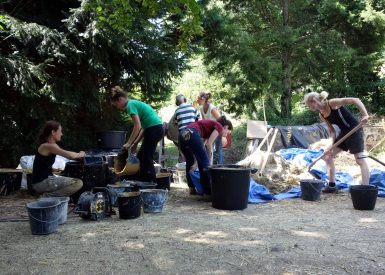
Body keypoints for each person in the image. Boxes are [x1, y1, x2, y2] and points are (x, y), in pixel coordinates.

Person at [304, 91, 370, 193]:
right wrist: (329, 146)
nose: (309, 107)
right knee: (327, 156)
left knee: (360, 159)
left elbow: (355, 100)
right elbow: (332, 131)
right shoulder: (322, 114)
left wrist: (365, 115)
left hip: (355, 130)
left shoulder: (332, 103)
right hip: (344, 133)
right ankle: (332, 185)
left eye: (309, 104)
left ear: (314, 101)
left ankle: (366, 189)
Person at [110, 86, 164, 182]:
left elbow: (137, 126)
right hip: (154, 129)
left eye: (116, 105)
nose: (118, 108)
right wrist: (135, 144)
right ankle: (142, 181)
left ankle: (151, 184)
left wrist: (129, 143)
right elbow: (143, 129)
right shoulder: (133, 104)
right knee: (140, 156)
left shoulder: (130, 105)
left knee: (147, 158)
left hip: (154, 129)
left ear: (120, 99)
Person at [179, 116, 233, 196]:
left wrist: (195, 164)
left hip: (182, 135)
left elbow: (201, 151)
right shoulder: (219, 126)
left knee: (190, 162)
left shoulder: (207, 130)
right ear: (226, 127)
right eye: (228, 132)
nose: (226, 135)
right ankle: (208, 192)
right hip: (192, 133)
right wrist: (209, 162)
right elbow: (209, 145)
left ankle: (192, 188)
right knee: (205, 164)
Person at [32, 120, 84, 196]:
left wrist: (78, 157)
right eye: (60, 131)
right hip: (42, 183)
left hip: (44, 180)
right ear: (53, 132)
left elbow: (71, 156)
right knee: (78, 183)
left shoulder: (51, 145)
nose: (62, 134)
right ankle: (47, 197)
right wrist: (81, 153)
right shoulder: (49, 146)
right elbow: (69, 155)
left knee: (68, 179)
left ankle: (52, 196)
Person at [196, 91, 224, 164]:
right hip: (209, 131)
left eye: (198, 99)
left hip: (217, 129)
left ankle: (220, 167)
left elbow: (220, 120)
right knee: (209, 148)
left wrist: (222, 134)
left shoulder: (212, 108)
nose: (197, 101)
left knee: (218, 150)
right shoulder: (201, 108)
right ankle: (210, 166)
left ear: (203, 99)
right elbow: (204, 121)